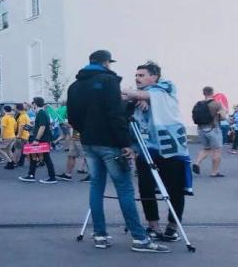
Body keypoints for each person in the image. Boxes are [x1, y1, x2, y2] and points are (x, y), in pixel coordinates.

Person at [66, 50, 168, 253]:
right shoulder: (108, 81)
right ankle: (140, 238)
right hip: (110, 142)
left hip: (89, 142)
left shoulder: (75, 86)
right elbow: (115, 114)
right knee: (125, 189)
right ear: (106, 63)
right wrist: (125, 144)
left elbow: (72, 117)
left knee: (96, 186)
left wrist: (85, 131)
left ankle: (100, 234)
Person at [122, 61, 188, 242]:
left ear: (154, 77)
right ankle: (153, 226)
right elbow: (126, 103)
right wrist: (137, 97)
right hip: (146, 147)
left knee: (175, 188)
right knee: (145, 187)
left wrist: (136, 95)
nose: (137, 78)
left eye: (141, 75)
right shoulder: (141, 96)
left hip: (171, 147)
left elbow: (135, 94)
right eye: (136, 75)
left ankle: (173, 227)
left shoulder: (167, 86)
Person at [18, 97, 57, 184]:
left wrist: (36, 139)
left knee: (46, 158)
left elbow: (42, 127)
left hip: (42, 139)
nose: (32, 105)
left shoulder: (41, 113)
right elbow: (41, 126)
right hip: (43, 138)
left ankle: (52, 177)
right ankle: (31, 175)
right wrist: (31, 128)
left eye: (33, 103)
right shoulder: (42, 112)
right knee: (34, 156)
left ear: (35, 104)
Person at [192, 86, 225, 177]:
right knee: (217, 150)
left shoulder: (198, 104)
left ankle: (197, 163)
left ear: (204, 93)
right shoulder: (217, 104)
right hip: (213, 129)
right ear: (212, 93)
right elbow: (223, 117)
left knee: (206, 149)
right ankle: (214, 172)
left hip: (201, 129)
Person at [0, 105, 17, 169]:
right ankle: (13, 163)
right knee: (9, 150)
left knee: (0, 149)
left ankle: (10, 162)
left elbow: (3, 129)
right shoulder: (12, 118)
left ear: (4, 110)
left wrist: (1, 137)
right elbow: (15, 127)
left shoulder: (4, 118)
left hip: (6, 136)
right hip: (13, 135)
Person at [14, 103, 31, 167]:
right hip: (26, 135)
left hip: (22, 136)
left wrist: (18, 136)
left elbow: (21, 127)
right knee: (26, 150)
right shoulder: (25, 115)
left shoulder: (22, 116)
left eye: (15, 108)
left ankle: (14, 163)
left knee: (17, 149)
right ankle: (34, 162)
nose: (14, 109)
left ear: (17, 108)